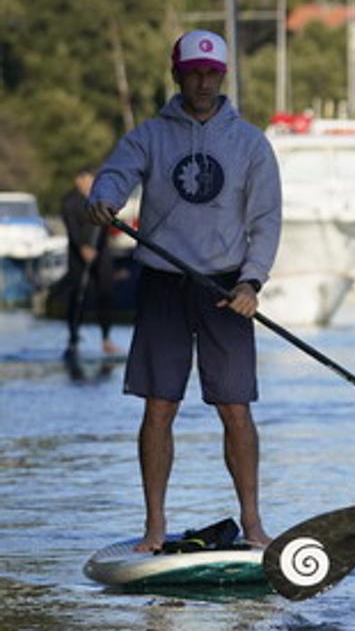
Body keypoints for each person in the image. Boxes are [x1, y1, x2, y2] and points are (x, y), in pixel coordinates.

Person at [86, 29, 282, 551]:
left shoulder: (251, 143)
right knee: (159, 405)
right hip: (162, 283)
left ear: (223, 76)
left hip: (226, 288)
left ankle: (253, 523)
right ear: (176, 73)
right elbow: (114, 175)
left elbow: (266, 221)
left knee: (235, 407)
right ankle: (154, 526)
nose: (202, 81)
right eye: (193, 71)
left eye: (211, 72)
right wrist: (105, 198)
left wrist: (252, 282)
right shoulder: (150, 136)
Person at [60, 165, 120, 358]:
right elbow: (71, 227)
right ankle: (73, 339)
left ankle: (106, 338)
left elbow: (109, 220)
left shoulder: (100, 199)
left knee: (107, 292)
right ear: (79, 180)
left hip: (101, 252)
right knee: (78, 293)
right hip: (79, 253)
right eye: (86, 180)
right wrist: (82, 247)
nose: (89, 184)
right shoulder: (70, 201)